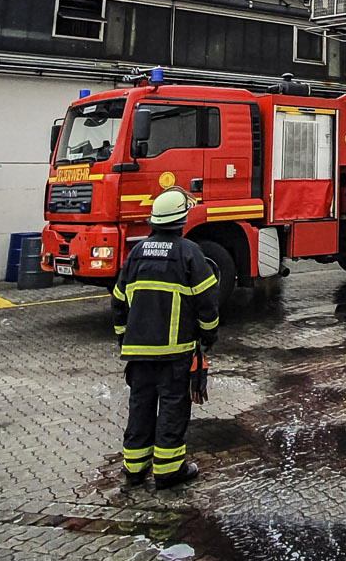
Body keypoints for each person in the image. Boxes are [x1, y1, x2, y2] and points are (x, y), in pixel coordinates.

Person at [112, 187, 219, 489]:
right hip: (175, 352)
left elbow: (118, 301)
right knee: (173, 407)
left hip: (138, 352)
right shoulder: (189, 253)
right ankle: (169, 471)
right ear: (182, 220)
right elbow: (207, 301)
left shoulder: (136, 253)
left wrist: (123, 338)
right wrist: (209, 333)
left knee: (140, 406)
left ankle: (134, 469)